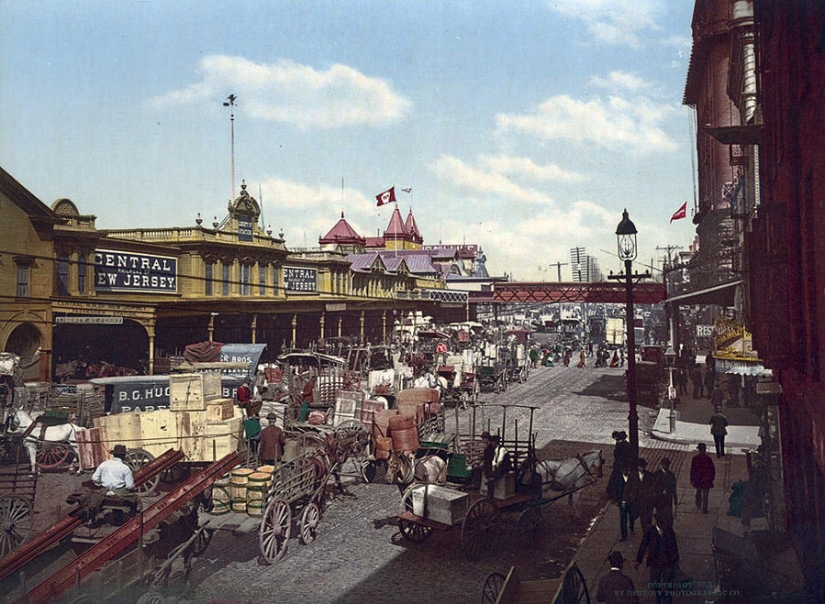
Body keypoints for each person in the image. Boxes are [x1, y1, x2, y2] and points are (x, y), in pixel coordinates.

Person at [635, 513, 680, 604]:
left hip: (668, 562)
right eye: (662, 523)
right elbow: (643, 545)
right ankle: (659, 598)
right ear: (658, 523)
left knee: (668, 583)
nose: (664, 525)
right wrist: (638, 560)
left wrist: (676, 561)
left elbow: (674, 547)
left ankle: (668, 600)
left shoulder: (669, 531)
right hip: (655, 562)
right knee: (655, 582)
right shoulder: (650, 531)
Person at [92, 444, 138, 510]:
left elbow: (94, 478)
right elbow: (129, 486)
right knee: (136, 499)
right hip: (119, 495)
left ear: (114, 454)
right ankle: (133, 517)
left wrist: (100, 484)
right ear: (123, 456)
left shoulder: (104, 464)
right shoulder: (125, 468)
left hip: (104, 492)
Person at [624, 458, 655, 534]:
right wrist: (624, 498)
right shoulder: (633, 475)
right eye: (641, 466)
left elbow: (652, 487)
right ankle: (631, 525)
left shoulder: (649, 475)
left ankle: (645, 532)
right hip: (635, 499)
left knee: (644, 517)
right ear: (638, 467)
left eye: (643, 466)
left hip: (644, 500)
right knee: (633, 515)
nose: (642, 468)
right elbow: (628, 487)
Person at [690, 443, 715, 514]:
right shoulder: (708, 459)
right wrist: (712, 478)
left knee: (698, 492)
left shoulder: (695, 459)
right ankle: (705, 509)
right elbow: (712, 470)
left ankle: (698, 504)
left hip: (698, 478)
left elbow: (692, 470)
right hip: (706, 479)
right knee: (705, 495)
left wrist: (692, 479)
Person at [652, 457, 678, 525]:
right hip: (659, 497)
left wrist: (675, 498)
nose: (666, 466)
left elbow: (673, 487)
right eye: (664, 465)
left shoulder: (671, 475)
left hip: (668, 497)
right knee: (660, 513)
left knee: (669, 514)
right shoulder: (657, 474)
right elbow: (654, 486)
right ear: (661, 465)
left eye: (667, 465)